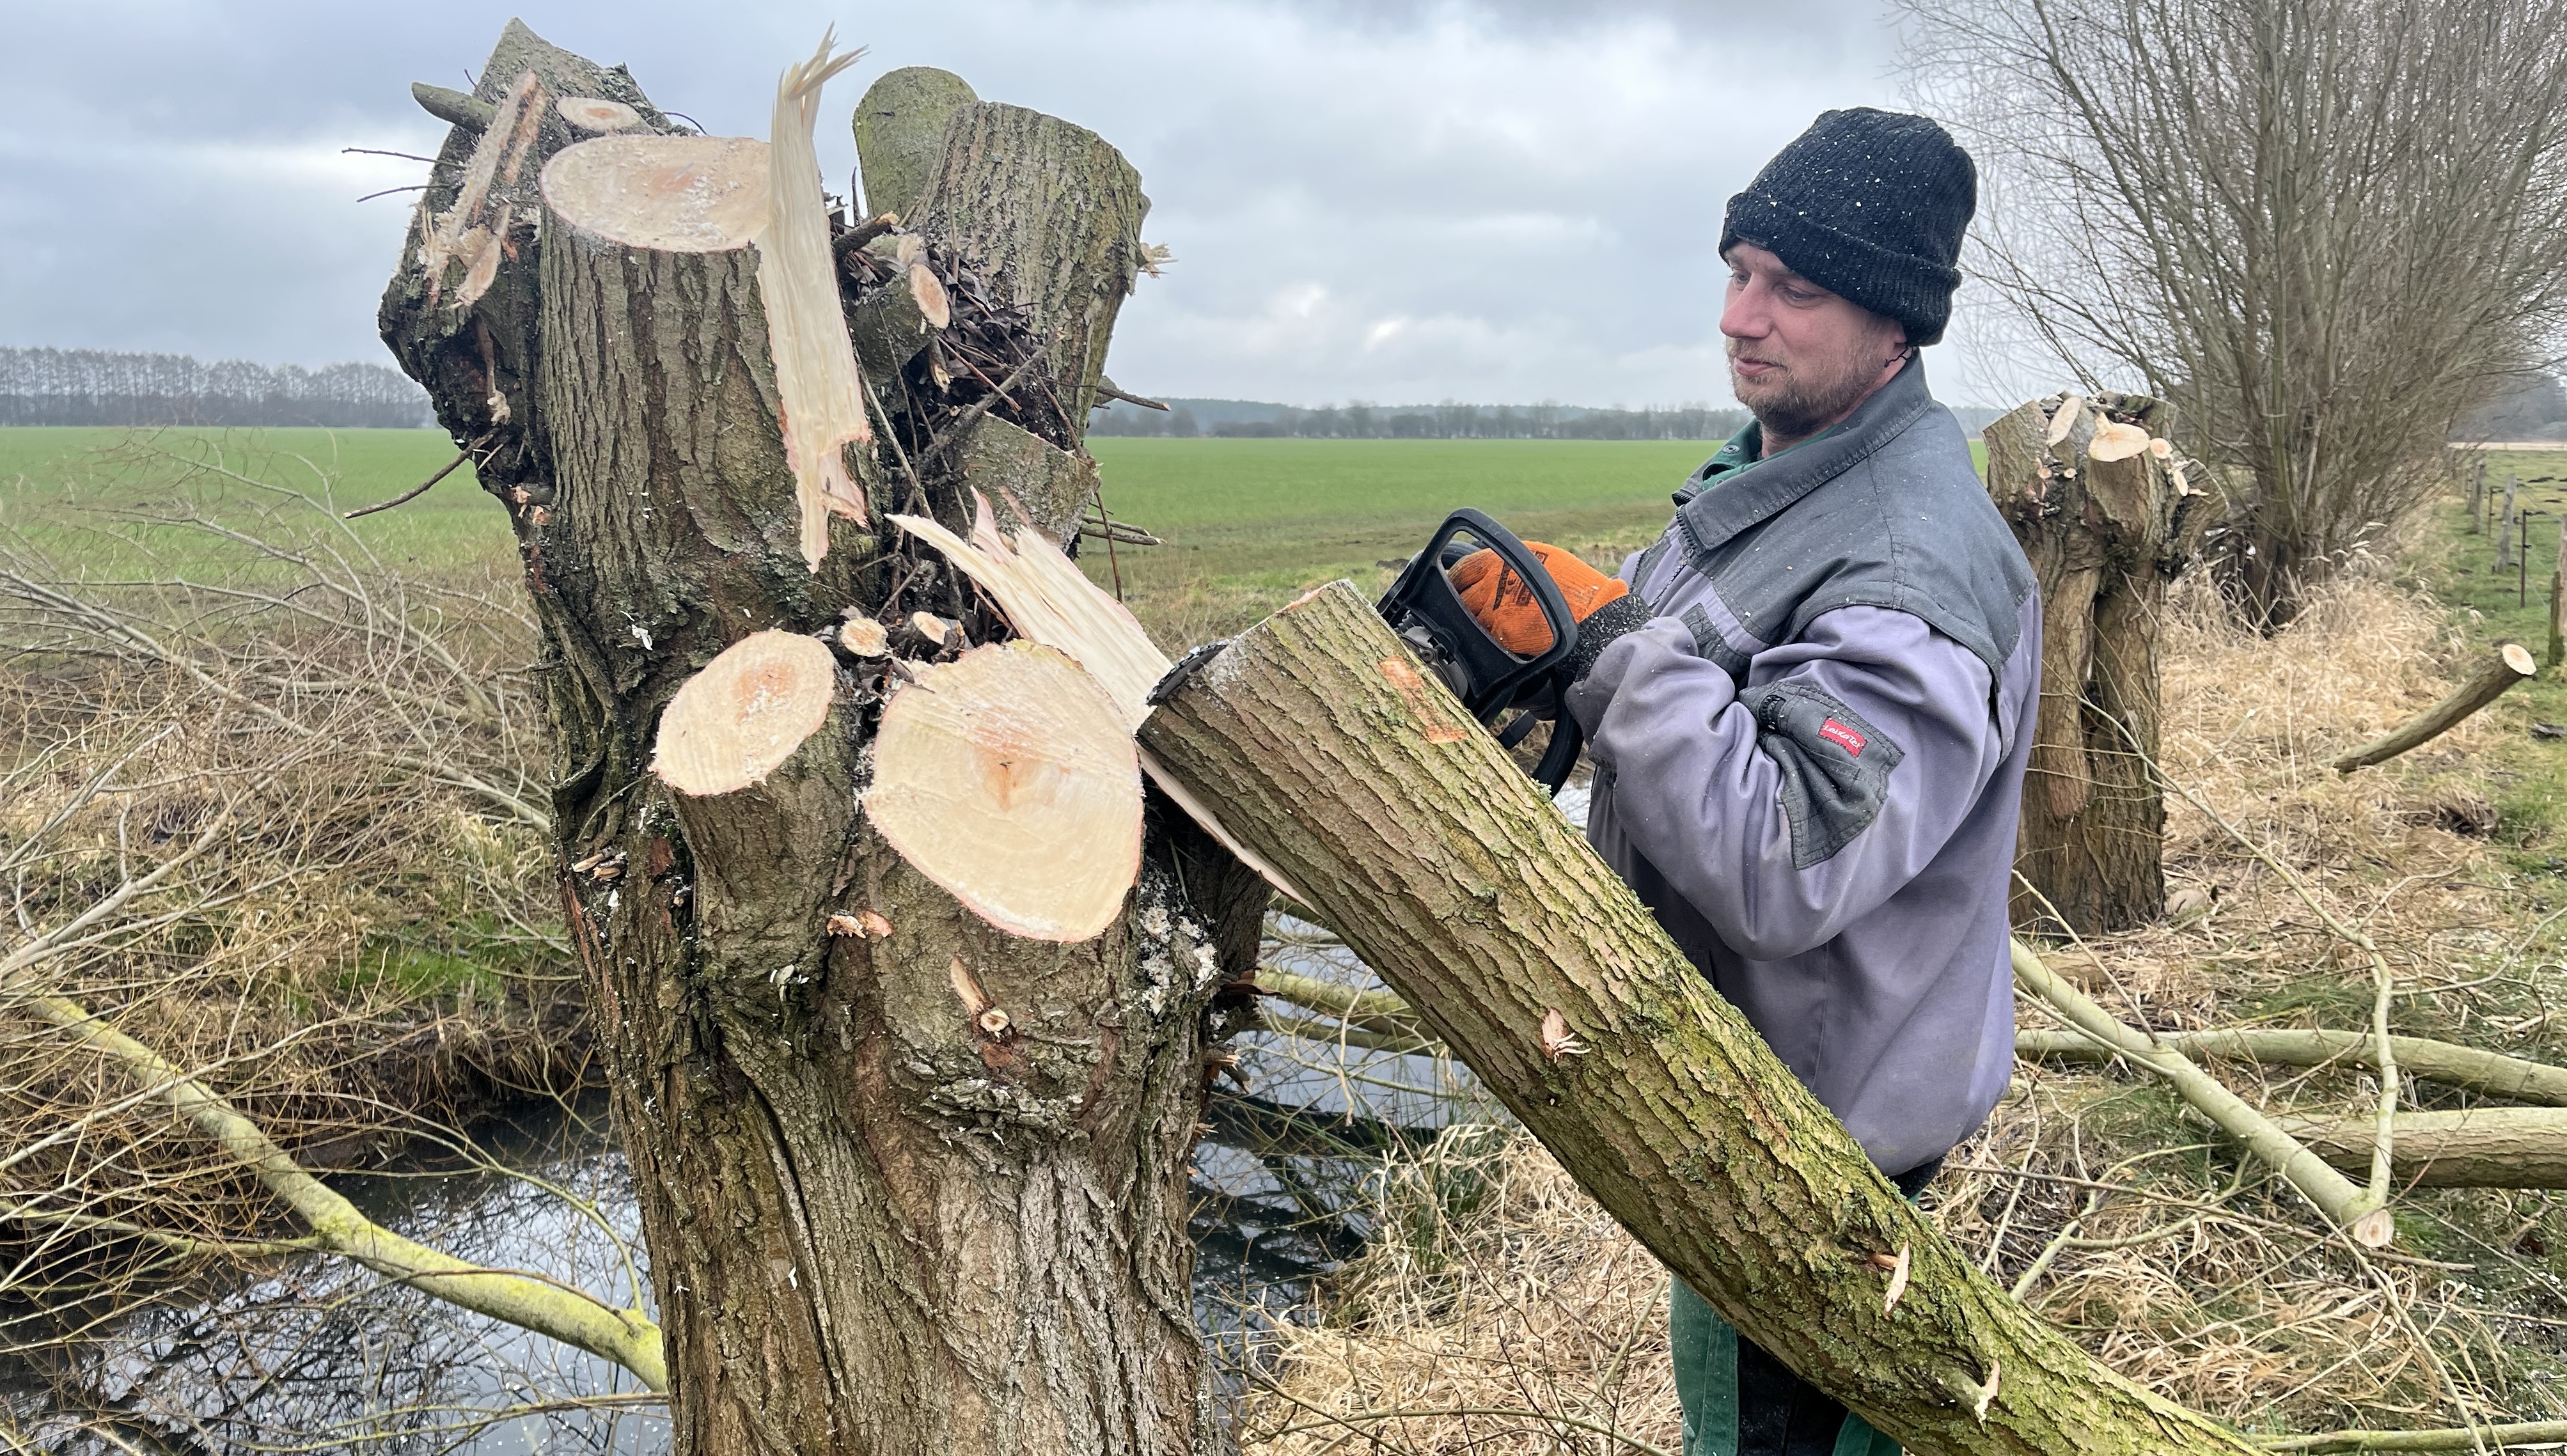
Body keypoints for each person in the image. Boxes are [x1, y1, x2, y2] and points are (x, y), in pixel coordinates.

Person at [1454, 107, 2039, 1456]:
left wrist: (1611, 646)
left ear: (1897, 324)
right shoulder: (1776, 472)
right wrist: (1552, 637)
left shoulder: (1914, 568)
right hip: (1743, 1083)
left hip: (1823, 1143)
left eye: (1796, 288)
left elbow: (1788, 853)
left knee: (1774, 1431)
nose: (1742, 315)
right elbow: (1702, 691)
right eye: (1739, 271)